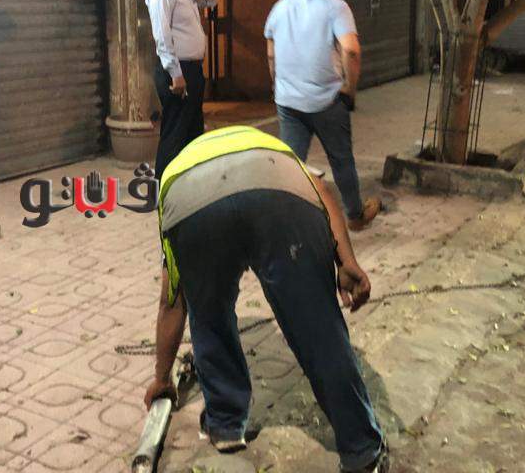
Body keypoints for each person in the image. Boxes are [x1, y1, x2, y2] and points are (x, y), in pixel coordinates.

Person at [143, 125, 389, 473]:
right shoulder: (274, 149)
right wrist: (346, 261)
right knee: (318, 327)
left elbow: (172, 302)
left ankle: (225, 424)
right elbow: (322, 190)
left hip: (195, 210)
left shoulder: (173, 179)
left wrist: (162, 378)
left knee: (207, 312)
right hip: (276, 196)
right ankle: (363, 451)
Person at [264, 0, 381, 231]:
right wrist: (349, 89)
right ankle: (355, 216)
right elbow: (351, 51)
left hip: (288, 101)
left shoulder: (281, 6)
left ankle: (282, 219)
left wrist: (277, 85)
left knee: (291, 164)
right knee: (341, 160)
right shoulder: (336, 8)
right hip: (327, 100)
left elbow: (271, 53)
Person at [145, 0, 217, 179]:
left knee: (193, 132)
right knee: (175, 133)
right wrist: (175, 74)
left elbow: (211, 0)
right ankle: (163, 187)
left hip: (193, 70)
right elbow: (162, 35)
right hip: (177, 71)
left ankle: (189, 185)